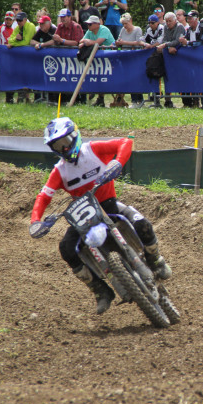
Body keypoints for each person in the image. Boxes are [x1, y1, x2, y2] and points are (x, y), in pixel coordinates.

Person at [30, 118, 171, 315]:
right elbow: (44, 196)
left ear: (75, 136)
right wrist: (35, 221)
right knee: (66, 248)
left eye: (65, 142)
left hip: (109, 204)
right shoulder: (59, 171)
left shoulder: (92, 150)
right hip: (84, 214)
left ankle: (155, 259)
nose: (64, 148)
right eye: (57, 146)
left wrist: (117, 162)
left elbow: (125, 142)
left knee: (143, 224)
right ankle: (99, 289)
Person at [80, 16, 115, 107]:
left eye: (90, 24)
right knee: (97, 76)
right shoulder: (89, 31)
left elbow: (97, 42)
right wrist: (86, 42)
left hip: (110, 59)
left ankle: (105, 98)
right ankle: (99, 98)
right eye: (87, 24)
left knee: (104, 78)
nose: (88, 26)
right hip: (96, 58)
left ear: (97, 24)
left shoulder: (104, 30)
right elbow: (81, 41)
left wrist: (88, 42)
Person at [156, 11, 186, 108]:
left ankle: (187, 101)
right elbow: (164, 39)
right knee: (167, 76)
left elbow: (177, 41)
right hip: (169, 55)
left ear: (175, 20)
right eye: (166, 21)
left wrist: (166, 45)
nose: (168, 23)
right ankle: (167, 100)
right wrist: (168, 47)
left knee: (182, 77)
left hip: (180, 55)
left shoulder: (180, 27)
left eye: (170, 21)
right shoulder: (165, 27)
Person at [115, 12, 145, 108]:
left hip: (135, 59)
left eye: (126, 23)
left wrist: (124, 42)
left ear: (131, 21)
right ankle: (137, 101)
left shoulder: (137, 29)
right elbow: (119, 40)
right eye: (123, 24)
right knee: (130, 80)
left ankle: (137, 101)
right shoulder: (123, 30)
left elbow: (139, 42)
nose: (124, 26)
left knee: (135, 79)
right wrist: (117, 43)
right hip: (125, 59)